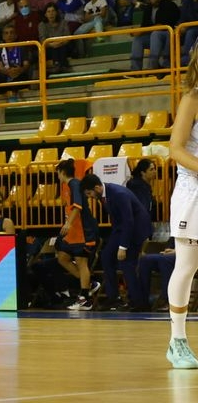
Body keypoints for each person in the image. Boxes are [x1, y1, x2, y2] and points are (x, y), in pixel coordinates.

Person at [163, 48, 198, 367]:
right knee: (187, 266)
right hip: (193, 191)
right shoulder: (193, 97)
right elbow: (175, 149)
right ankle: (178, 341)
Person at [81, 173, 151, 312]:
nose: (90, 197)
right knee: (106, 256)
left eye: (89, 193)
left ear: (97, 187)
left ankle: (138, 302)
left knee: (126, 263)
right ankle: (113, 298)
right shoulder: (103, 195)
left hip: (136, 229)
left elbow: (129, 221)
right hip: (121, 228)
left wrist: (123, 247)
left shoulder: (118, 194)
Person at [54, 159, 100, 311]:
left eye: (58, 173)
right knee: (62, 257)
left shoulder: (74, 184)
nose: (57, 176)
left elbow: (77, 206)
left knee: (81, 262)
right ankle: (90, 284)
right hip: (73, 231)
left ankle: (85, 299)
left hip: (84, 230)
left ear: (62, 172)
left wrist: (68, 223)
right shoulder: (66, 186)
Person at [130, 0, 180, 74]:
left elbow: (164, 25)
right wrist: (137, 32)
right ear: (148, 0)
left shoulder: (169, 5)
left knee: (155, 34)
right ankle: (135, 71)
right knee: (138, 39)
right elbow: (144, 26)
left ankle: (153, 67)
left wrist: (143, 30)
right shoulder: (148, 8)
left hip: (169, 35)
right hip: (153, 37)